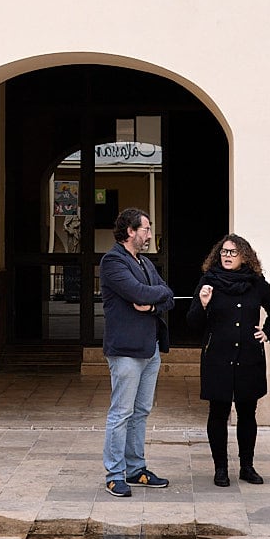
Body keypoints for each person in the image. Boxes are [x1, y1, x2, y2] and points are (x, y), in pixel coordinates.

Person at [187, 233, 270, 488]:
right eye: (224, 252)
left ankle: (246, 466)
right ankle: (220, 469)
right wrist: (203, 303)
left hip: (248, 357)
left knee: (247, 413)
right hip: (217, 357)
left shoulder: (256, 282)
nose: (227, 256)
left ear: (244, 256)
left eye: (233, 252)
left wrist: (267, 331)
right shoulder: (209, 281)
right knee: (217, 413)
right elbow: (192, 322)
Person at [98, 207, 176, 497]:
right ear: (130, 231)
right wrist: (153, 295)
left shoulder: (144, 262)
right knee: (121, 412)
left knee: (141, 411)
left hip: (150, 347)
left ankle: (136, 469)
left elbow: (167, 293)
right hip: (126, 350)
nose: (149, 234)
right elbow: (139, 293)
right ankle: (114, 474)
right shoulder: (112, 262)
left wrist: (155, 303)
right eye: (145, 229)